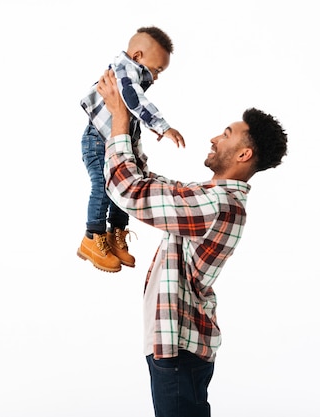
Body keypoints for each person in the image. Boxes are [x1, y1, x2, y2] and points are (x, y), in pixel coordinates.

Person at [96, 69, 288, 416]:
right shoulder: (211, 196)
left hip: (179, 349)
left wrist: (119, 125)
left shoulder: (219, 205)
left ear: (244, 154)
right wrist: (130, 124)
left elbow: (130, 191)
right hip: (179, 347)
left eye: (226, 134)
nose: (215, 137)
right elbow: (151, 183)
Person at [78, 26, 185, 273]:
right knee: (103, 187)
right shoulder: (125, 72)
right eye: (156, 70)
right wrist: (163, 126)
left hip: (117, 141)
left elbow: (131, 112)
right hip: (97, 141)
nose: (155, 77)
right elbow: (135, 101)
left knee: (123, 187)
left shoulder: (131, 74)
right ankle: (92, 237)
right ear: (137, 57)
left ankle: (116, 233)